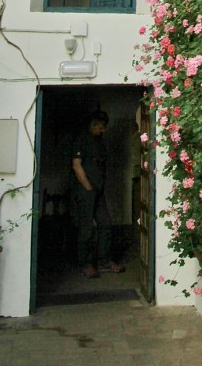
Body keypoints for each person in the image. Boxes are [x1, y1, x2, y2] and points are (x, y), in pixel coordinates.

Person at [71, 109, 123, 278]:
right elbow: (76, 165)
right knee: (86, 228)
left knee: (105, 223)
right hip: (86, 190)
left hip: (98, 190)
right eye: (100, 127)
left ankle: (104, 261)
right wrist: (87, 186)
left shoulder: (99, 140)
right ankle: (86, 263)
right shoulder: (81, 139)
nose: (102, 130)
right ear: (92, 125)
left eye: (103, 127)